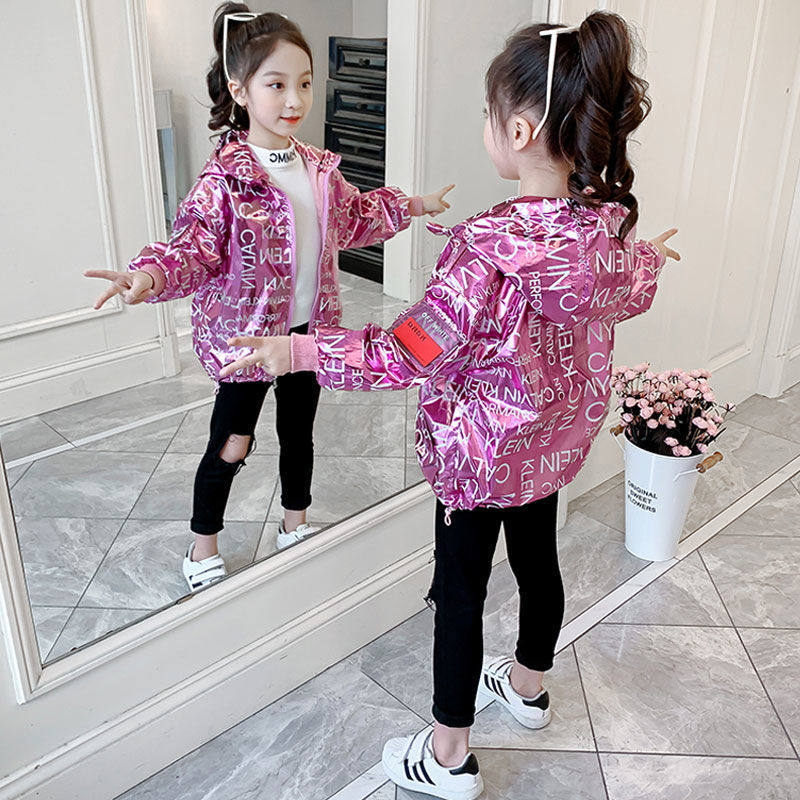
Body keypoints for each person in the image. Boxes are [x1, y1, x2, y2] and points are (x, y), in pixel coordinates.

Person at [219, 11, 679, 800]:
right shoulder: (605, 239)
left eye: (488, 116)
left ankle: (449, 756)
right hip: (550, 448)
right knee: (538, 562)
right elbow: (635, 279)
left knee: (461, 593)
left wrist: (299, 351)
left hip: (479, 458)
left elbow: (407, 352)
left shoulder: (486, 249)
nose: (487, 129)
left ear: (520, 130)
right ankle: (528, 690)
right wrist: (652, 256)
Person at [85, 3, 453, 593]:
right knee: (232, 442)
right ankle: (203, 542)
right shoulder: (224, 180)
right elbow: (192, 249)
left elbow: (352, 218)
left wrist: (410, 206)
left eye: (304, 84)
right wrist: (147, 277)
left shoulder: (319, 168)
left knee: (300, 432)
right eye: (276, 85)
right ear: (240, 90)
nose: (294, 100)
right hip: (248, 340)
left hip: (309, 334)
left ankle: (294, 523)